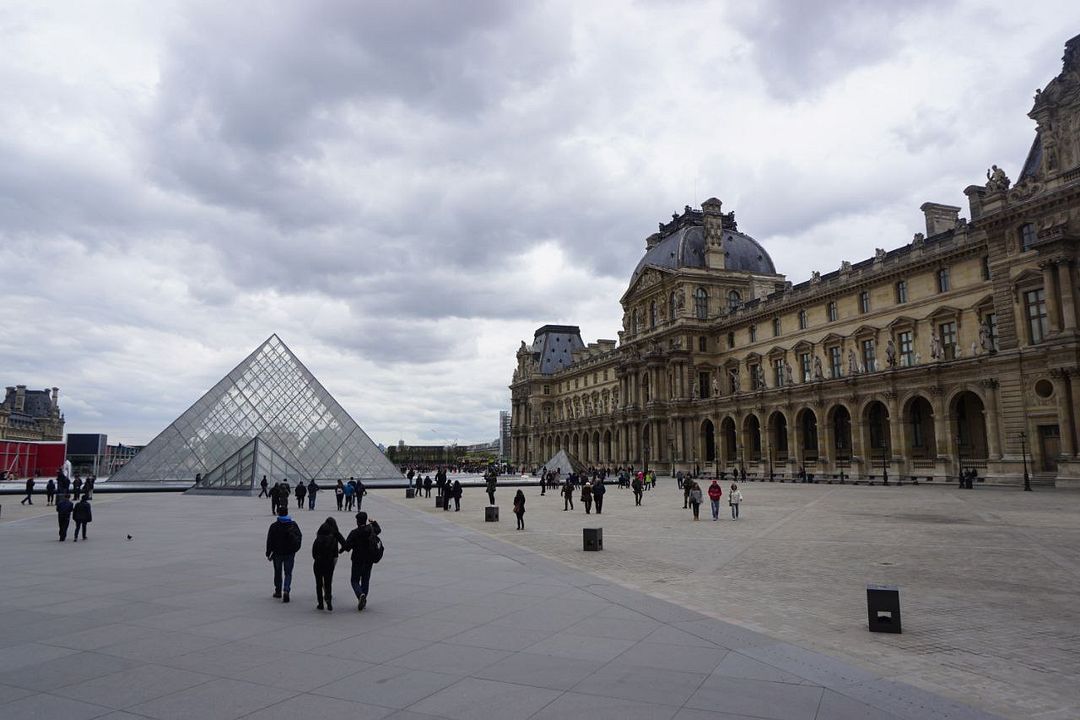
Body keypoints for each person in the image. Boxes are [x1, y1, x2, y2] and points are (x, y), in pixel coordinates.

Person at [343, 511, 382, 612]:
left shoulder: (354, 532)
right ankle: (363, 598)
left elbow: (347, 546)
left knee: (354, 580)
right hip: (369, 559)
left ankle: (360, 594)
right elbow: (379, 529)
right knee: (365, 579)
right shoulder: (371, 529)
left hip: (357, 559)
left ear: (357, 521)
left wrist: (342, 549)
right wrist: (373, 522)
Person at [266, 506, 303, 602]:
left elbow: (269, 540)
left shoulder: (274, 526)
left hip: (277, 553)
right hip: (290, 553)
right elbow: (299, 537)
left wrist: (268, 553)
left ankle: (278, 591)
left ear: (278, 513)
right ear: (287, 513)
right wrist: (295, 549)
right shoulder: (293, 525)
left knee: (277, 572)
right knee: (288, 573)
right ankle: (286, 589)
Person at [311, 517, 346, 611]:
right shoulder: (334, 534)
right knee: (328, 582)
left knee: (318, 583)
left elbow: (313, 552)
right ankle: (328, 598)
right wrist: (340, 551)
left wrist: (316, 558)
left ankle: (320, 604)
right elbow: (345, 544)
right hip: (330, 561)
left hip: (318, 562)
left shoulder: (318, 537)